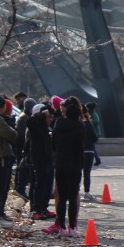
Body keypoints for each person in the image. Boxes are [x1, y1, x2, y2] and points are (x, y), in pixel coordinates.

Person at [43, 101, 85, 237]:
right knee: (73, 196)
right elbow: (80, 147)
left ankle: (61, 227)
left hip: (61, 164)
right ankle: (72, 227)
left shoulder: (58, 125)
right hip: (75, 165)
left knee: (61, 197)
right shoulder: (79, 126)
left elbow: (53, 145)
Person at [0, 96, 17, 225]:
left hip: (0, 155)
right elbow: (12, 134)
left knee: (0, 186)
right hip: (2, 155)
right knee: (0, 186)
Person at [26, 103, 56, 220]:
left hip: (48, 158)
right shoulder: (35, 125)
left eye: (52, 117)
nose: (50, 119)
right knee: (40, 183)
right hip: (39, 158)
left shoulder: (48, 128)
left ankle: (44, 208)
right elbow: (30, 121)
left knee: (48, 184)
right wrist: (43, 114)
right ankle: (36, 209)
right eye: (48, 117)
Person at [80, 102, 99, 200]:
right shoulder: (88, 124)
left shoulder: (77, 123)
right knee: (86, 173)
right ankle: (87, 192)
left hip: (78, 150)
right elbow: (95, 138)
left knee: (78, 172)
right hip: (88, 150)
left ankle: (76, 191)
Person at [87, 102, 103, 166]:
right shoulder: (90, 114)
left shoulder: (94, 114)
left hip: (95, 133)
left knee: (92, 146)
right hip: (92, 132)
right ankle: (97, 159)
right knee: (92, 146)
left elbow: (96, 121)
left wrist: (89, 121)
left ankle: (97, 159)